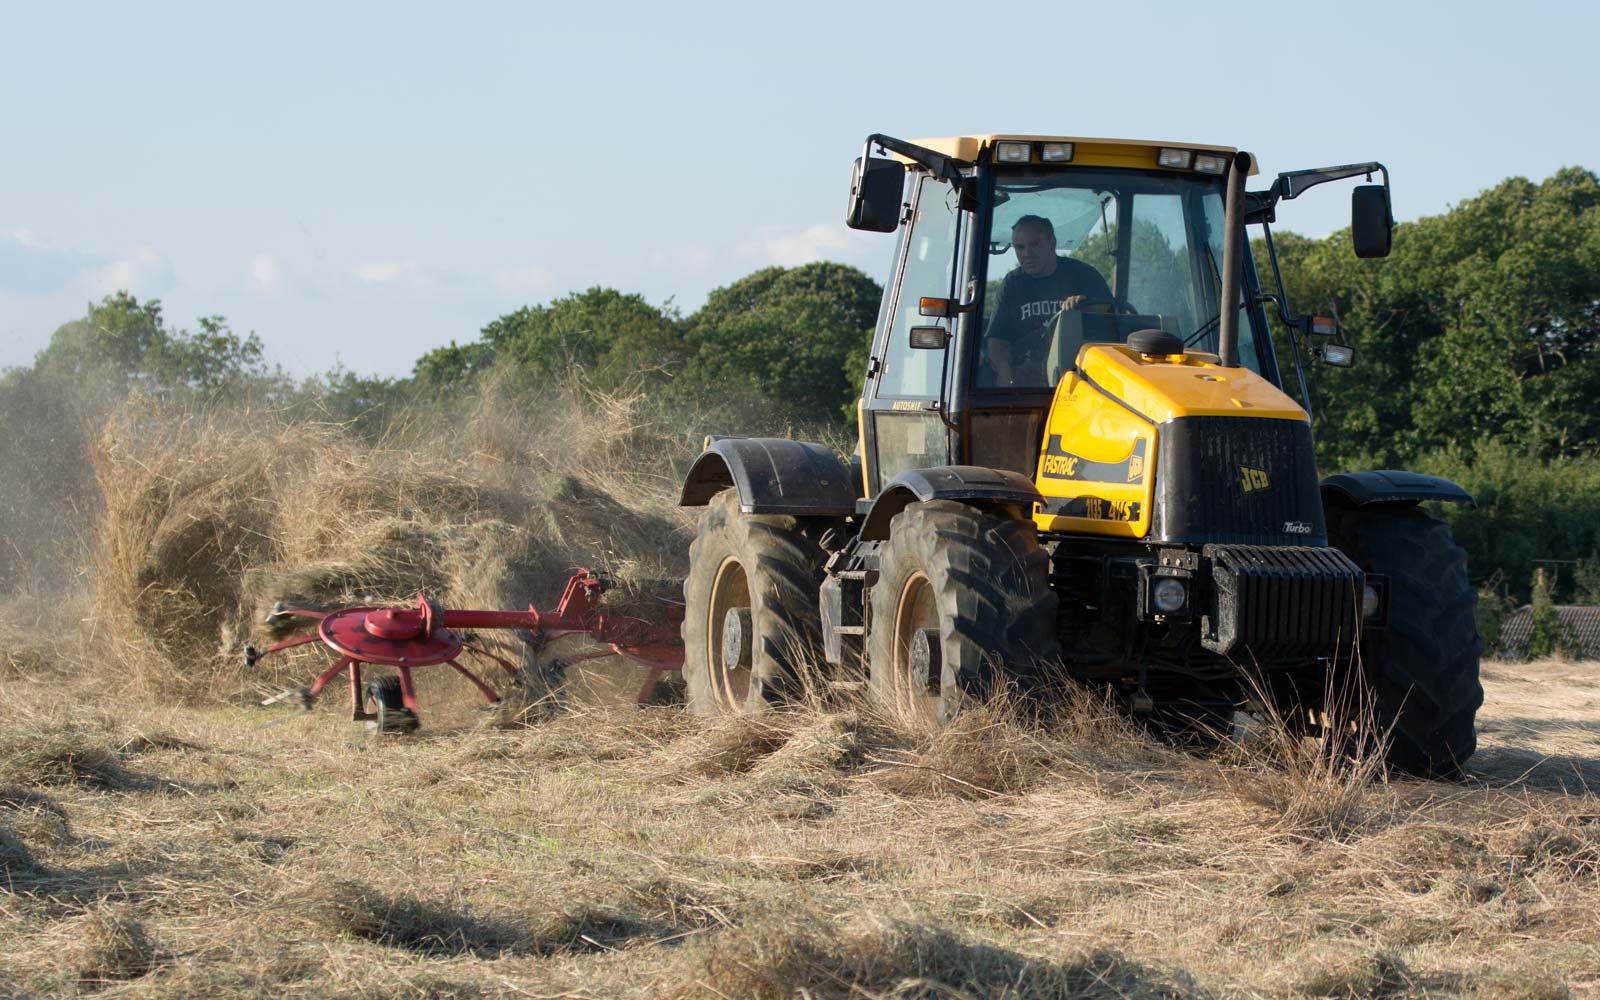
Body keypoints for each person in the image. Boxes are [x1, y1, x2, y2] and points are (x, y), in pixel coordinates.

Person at [983, 215, 1113, 386]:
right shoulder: (1012, 285)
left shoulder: (1084, 276)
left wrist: (1087, 306)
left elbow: (1112, 323)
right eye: (1020, 248)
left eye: (1034, 244)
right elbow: (997, 339)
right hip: (1028, 382)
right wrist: (1005, 372)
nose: (1027, 254)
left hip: (1079, 378)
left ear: (1052, 242)